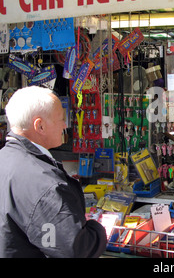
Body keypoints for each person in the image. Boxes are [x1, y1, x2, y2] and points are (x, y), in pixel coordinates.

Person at [0, 86, 107, 258]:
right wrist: (98, 229)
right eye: (61, 119)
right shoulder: (43, 182)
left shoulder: (5, 159)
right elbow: (74, 249)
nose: (65, 125)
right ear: (40, 125)